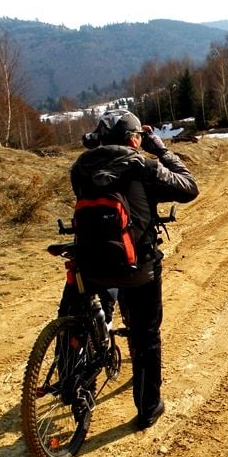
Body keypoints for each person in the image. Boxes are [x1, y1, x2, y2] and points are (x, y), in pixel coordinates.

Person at [70, 109, 199, 429]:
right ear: (133, 139)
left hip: (90, 263)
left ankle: (77, 375)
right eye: (139, 137)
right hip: (137, 267)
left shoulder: (80, 168)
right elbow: (189, 187)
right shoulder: (144, 166)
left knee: (83, 315)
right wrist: (162, 149)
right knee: (146, 336)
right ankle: (148, 408)